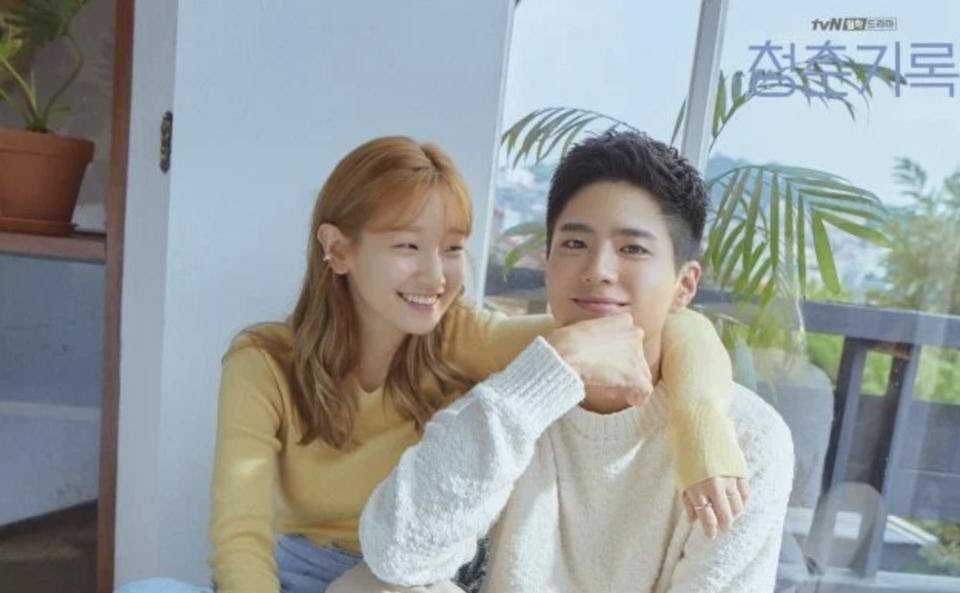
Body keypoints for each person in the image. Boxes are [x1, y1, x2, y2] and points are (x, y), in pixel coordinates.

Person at [116, 136, 748, 593]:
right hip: (289, 573)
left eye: (451, 248)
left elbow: (660, 325)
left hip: (411, 579)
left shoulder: (462, 337)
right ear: (338, 249)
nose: (435, 275)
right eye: (406, 246)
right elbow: (240, 538)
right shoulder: (264, 360)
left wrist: (700, 422)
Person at [347, 131, 794, 593]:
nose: (598, 270)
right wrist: (548, 379)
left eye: (633, 249)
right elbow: (398, 554)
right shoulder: (511, 396)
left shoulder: (749, 439)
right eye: (576, 243)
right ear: (547, 264)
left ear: (685, 285)